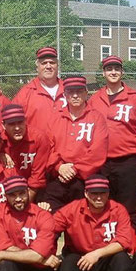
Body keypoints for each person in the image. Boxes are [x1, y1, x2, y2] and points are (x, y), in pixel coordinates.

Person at [54, 174, 134, 271]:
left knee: (123, 260)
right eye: (94, 193)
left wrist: (97, 253)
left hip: (107, 257)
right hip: (80, 256)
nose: (98, 197)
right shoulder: (72, 209)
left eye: (102, 192)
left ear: (108, 193)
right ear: (85, 193)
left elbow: (124, 240)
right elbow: (50, 228)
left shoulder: (118, 210)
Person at [88, 56, 136, 229]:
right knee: (103, 206)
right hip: (101, 162)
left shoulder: (135, 98)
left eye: (116, 69)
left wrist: (130, 142)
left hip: (126, 162)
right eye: (109, 69)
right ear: (103, 73)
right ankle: (106, 248)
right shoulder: (94, 99)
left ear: (122, 72)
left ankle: (130, 249)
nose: (113, 72)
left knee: (130, 208)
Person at [41, 76, 109, 213]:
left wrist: (74, 169)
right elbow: (47, 148)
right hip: (58, 178)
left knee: (79, 228)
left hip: (84, 180)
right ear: (65, 95)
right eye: (71, 92)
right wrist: (59, 167)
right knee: (48, 223)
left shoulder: (97, 118)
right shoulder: (55, 118)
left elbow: (97, 152)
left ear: (86, 93)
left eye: (79, 91)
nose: (75, 95)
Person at [0, 104, 50, 203]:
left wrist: (25, 205)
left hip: (34, 189)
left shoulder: (39, 138)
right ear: (3, 125)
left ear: (25, 121)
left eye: (20, 122)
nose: (17, 128)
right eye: (12, 124)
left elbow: (37, 175)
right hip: (7, 188)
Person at [12, 47, 66, 132]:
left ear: (57, 66)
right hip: (37, 145)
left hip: (64, 144)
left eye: (52, 62)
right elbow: (11, 122)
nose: (48, 66)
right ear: (37, 67)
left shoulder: (69, 90)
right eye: (44, 63)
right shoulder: (26, 93)